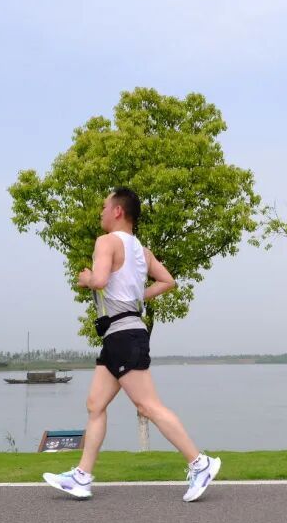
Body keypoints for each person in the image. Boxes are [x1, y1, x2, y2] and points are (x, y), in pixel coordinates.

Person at [43, 187, 221, 502]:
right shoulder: (142, 251)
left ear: (117, 211)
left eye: (104, 206)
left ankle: (200, 463)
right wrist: (137, 298)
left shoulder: (106, 242)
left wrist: (86, 279)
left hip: (125, 335)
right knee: (95, 405)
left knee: (148, 406)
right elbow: (168, 281)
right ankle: (82, 477)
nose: (100, 212)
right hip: (117, 336)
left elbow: (99, 281)